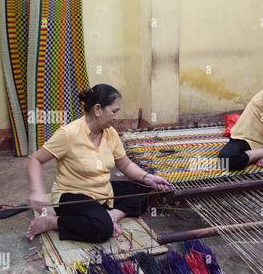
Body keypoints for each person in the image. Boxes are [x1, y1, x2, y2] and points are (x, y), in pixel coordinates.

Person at [26, 84, 172, 242]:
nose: (116, 117)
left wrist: (147, 177)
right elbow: (35, 159)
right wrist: (37, 191)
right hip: (73, 195)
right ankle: (53, 222)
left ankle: (111, 215)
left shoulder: (111, 133)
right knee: (102, 229)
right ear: (97, 110)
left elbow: (125, 164)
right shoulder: (68, 134)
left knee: (146, 189)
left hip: (103, 193)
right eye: (114, 111)